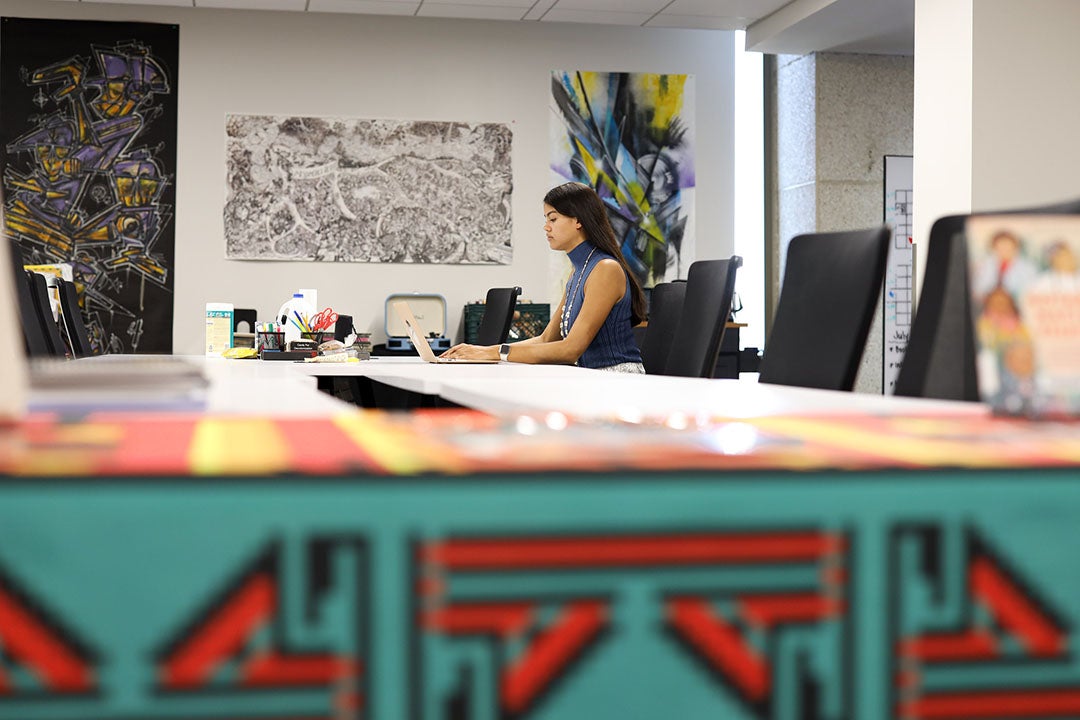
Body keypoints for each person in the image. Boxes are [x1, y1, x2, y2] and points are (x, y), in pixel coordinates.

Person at [441, 182, 647, 371]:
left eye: (553, 218)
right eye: (546, 219)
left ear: (578, 220)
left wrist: (492, 353)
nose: (546, 226)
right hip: (590, 378)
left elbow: (570, 350)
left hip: (617, 379)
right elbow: (547, 338)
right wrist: (484, 352)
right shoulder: (578, 272)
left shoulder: (605, 269)